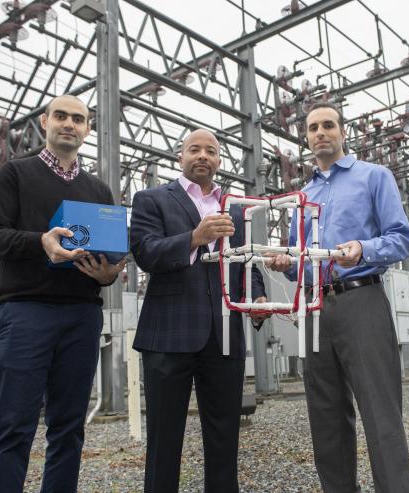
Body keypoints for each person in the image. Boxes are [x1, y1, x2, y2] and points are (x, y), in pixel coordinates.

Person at [268, 102, 409, 492]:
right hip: (315, 308)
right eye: (313, 127)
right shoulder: (303, 196)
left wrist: (364, 249)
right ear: (306, 137)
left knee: (380, 413)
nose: (320, 132)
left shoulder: (374, 177)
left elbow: (402, 238)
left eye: (328, 125)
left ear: (342, 131)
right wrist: (286, 263)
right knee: (326, 416)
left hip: (361, 300)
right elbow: (300, 260)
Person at [0, 94, 124, 492]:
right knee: (13, 426)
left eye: (78, 119)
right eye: (61, 116)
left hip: (81, 314)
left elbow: (108, 256)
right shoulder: (15, 174)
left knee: (69, 428)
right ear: (44, 122)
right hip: (26, 311)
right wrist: (40, 242)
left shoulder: (98, 190)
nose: (69, 124)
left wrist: (108, 275)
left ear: (88, 129)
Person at [130, 128, 268, 492]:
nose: (202, 156)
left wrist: (256, 297)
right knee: (164, 438)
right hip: (169, 333)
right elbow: (145, 253)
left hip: (224, 333)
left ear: (219, 160)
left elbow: (247, 262)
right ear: (181, 157)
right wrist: (194, 237)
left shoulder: (236, 209)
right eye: (195, 149)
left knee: (225, 435)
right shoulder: (152, 199)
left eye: (210, 151)